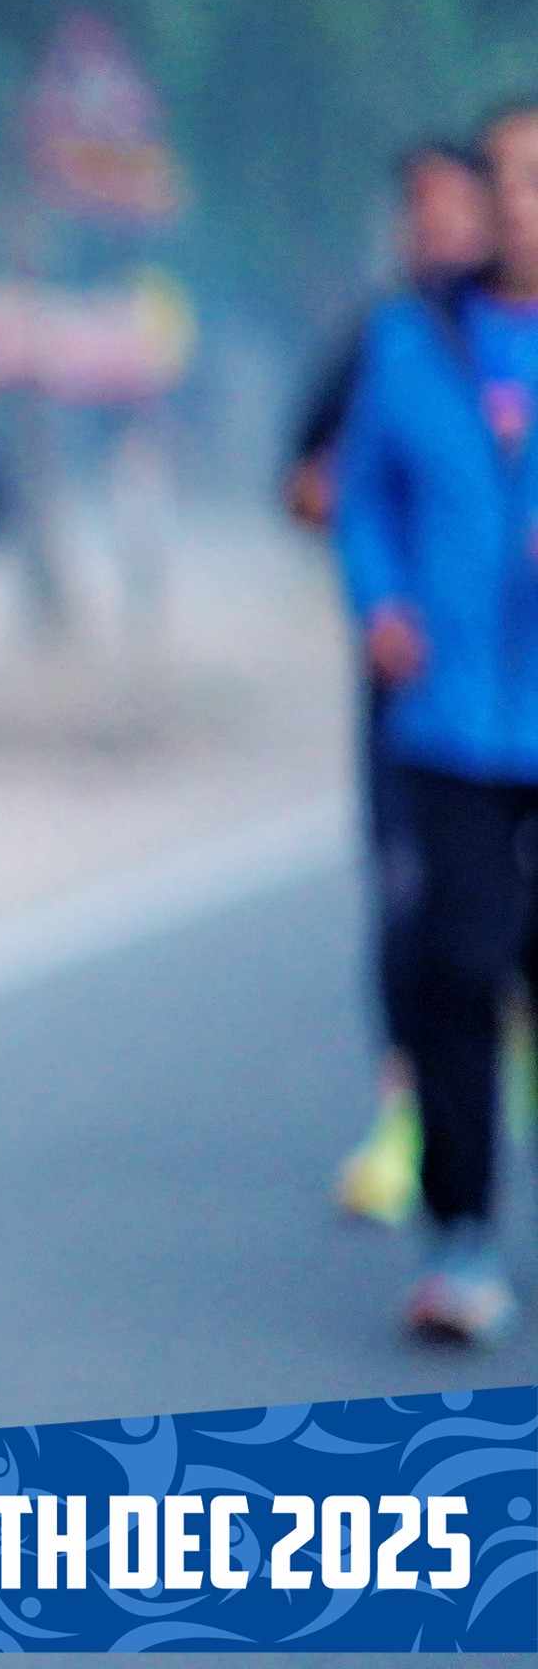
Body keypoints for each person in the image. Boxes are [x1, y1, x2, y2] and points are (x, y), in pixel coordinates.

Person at [336, 96, 538, 1344]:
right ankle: (460, 1236)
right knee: (458, 967)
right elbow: (361, 494)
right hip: (454, 718)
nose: (522, 199)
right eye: (505, 175)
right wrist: (381, 600)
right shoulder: (410, 341)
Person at [283, 142, 493, 1227]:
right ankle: (411, 1116)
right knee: (417, 912)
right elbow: (318, 483)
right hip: (419, 697)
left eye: (461, 206)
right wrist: (378, 587)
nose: (439, 228)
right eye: (420, 209)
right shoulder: (384, 344)